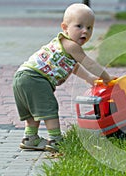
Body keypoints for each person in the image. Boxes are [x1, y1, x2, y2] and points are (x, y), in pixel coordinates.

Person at [12, 3, 114, 152]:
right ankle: (56, 140)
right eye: (79, 26)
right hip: (35, 78)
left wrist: (89, 79)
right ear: (65, 27)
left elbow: (73, 66)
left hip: (22, 76)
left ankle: (30, 138)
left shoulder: (62, 45)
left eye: (89, 27)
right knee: (49, 108)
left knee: (33, 109)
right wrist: (106, 77)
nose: (84, 31)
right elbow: (89, 63)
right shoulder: (72, 46)